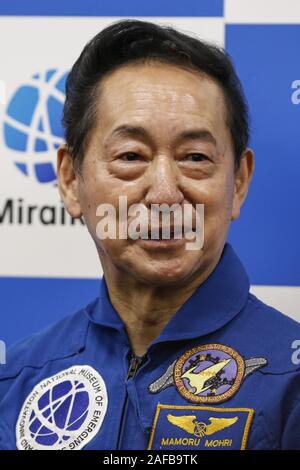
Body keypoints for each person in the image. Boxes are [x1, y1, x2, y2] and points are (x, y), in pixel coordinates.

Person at [0, 19, 300, 451]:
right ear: (70, 180)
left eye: (195, 156)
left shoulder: (286, 384)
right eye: (131, 156)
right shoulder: (19, 380)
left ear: (238, 182)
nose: (163, 191)